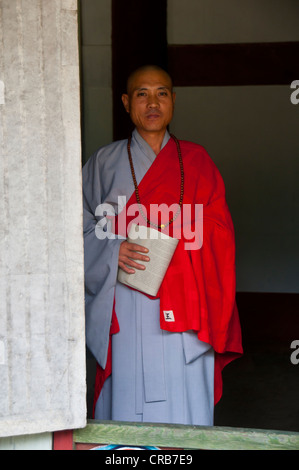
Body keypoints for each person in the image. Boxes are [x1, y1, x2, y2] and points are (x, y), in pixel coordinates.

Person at [82, 65, 243, 426]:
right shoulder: (103, 164)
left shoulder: (198, 162)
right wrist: (111, 250)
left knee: (184, 401)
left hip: (186, 304)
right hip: (123, 298)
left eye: (162, 93)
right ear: (126, 103)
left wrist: (185, 243)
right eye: (142, 93)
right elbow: (73, 229)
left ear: (173, 101)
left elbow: (221, 233)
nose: (152, 102)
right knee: (126, 405)